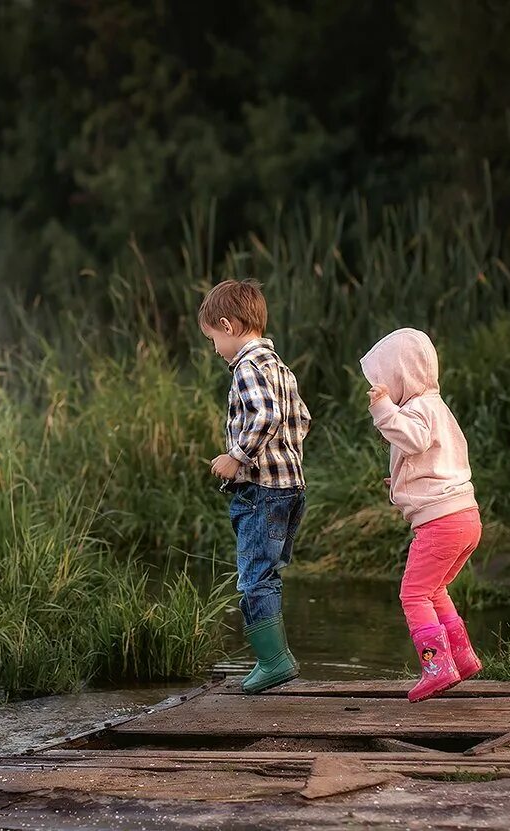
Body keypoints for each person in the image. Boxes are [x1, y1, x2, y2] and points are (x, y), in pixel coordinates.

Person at [199, 279, 311, 694]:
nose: (215, 350)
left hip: (262, 489)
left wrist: (238, 457)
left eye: (213, 340)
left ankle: (274, 661)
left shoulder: (246, 367)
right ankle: (274, 658)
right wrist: (285, 456)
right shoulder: (279, 366)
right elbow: (301, 420)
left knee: (253, 579)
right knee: (268, 573)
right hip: (290, 486)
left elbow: (265, 417)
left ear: (227, 326)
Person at [360, 327, 484, 702]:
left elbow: (411, 439)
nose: (378, 388)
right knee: (435, 590)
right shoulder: (438, 409)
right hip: (465, 517)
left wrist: (383, 408)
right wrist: (399, 483)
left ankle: (437, 667)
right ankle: (461, 657)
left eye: (383, 380)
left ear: (401, 375)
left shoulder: (416, 409)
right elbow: (430, 460)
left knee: (413, 594)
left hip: (441, 524)